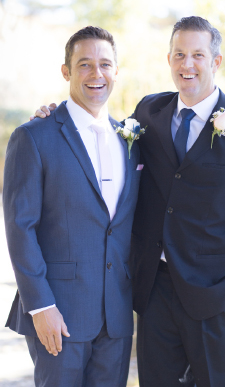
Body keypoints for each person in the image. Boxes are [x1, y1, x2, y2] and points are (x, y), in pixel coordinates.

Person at [33, 16, 225, 387]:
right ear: (169, 59)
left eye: (198, 55)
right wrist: (50, 117)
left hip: (218, 299)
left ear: (216, 61)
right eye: (179, 54)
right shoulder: (148, 114)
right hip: (153, 295)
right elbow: (96, 135)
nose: (187, 64)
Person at [4, 26, 141, 387]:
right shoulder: (34, 137)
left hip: (116, 318)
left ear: (116, 71)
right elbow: (20, 227)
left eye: (105, 64)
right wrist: (40, 306)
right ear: (66, 72)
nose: (96, 74)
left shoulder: (132, 138)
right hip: (59, 315)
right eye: (84, 64)